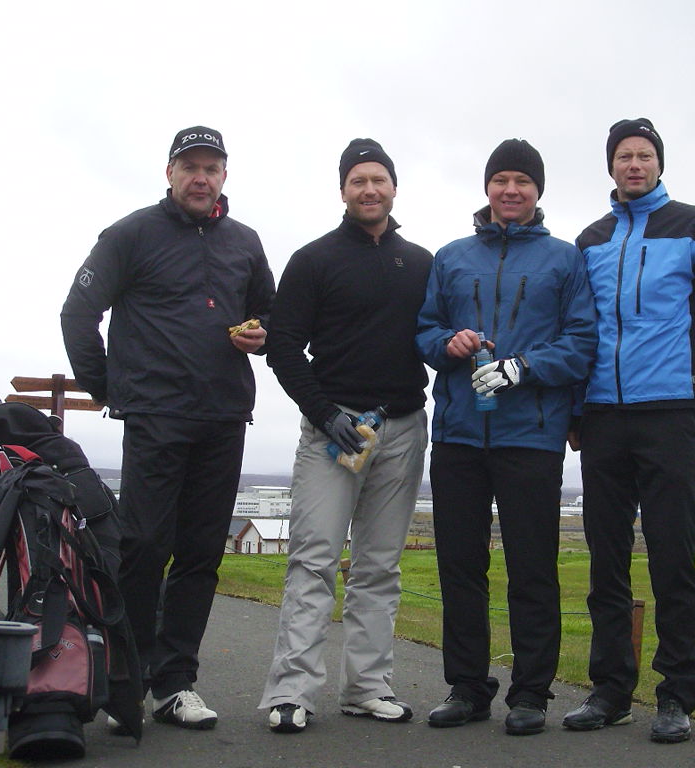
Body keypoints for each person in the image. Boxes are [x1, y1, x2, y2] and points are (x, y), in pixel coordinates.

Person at [562, 118, 695, 743]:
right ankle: (610, 691)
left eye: (645, 155)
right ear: (610, 166)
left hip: (671, 413)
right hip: (603, 417)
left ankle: (677, 695)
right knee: (606, 562)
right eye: (624, 156)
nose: (634, 165)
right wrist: (575, 411)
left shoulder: (694, 226)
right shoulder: (590, 240)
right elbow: (577, 328)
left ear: (659, 164)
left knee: (673, 559)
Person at [61, 126, 274, 731]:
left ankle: (175, 683)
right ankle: (124, 683)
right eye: (190, 167)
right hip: (155, 417)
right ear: (170, 172)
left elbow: (270, 313)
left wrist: (263, 334)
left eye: (212, 168)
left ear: (224, 176)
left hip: (224, 416)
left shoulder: (246, 241)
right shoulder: (130, 234)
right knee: (143, 548)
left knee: (201, 555)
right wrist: (106, 387)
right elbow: (78, 312)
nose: (201, 178)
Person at [416, 139, 597, 736]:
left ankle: (531, 693)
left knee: (532, 569)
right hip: (459, 435)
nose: (511, 190)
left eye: (522, 180)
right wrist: (448, 344)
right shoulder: (451, 257)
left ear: (538, 191)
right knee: (460, 567)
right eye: (501, 180)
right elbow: (424, 331)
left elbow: (581, 344)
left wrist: (523, 367)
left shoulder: (564, 259)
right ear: (487, 187)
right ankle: (468, 688)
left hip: (532, 435)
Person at [259, 139, 432, 734]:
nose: (369, 189)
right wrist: (323, 411)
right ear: (342, 190)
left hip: (402, 429)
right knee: (313, 562)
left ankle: (367, 687)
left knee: (379, 567)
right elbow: (284, 346)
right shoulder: (313, 260)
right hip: (331, 432)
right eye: (358, 180)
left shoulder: (421, 263)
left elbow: (436, 335)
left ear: (394, 188)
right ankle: (292, 692)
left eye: (378, 179)